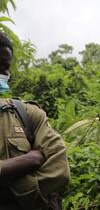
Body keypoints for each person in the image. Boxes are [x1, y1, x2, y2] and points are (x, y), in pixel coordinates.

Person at [0, 32, 70, 209]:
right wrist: (25, 162)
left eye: (4, 67)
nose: (2, 73)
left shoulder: (26, 113)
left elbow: (60, 169)